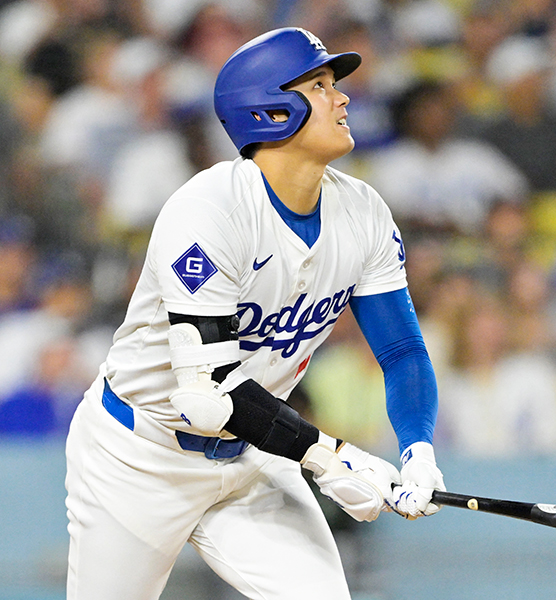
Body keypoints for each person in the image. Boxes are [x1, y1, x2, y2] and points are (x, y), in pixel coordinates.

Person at [64, 27, 445, 600]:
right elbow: (210, 392)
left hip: (253, 459)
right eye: (320, 86)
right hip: (138, 457)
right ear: (270, 111)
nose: (342, 98)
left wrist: (417, 449)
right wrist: (332, 458)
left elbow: (402, 352)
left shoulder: (363, 211)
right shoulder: (207, 209)